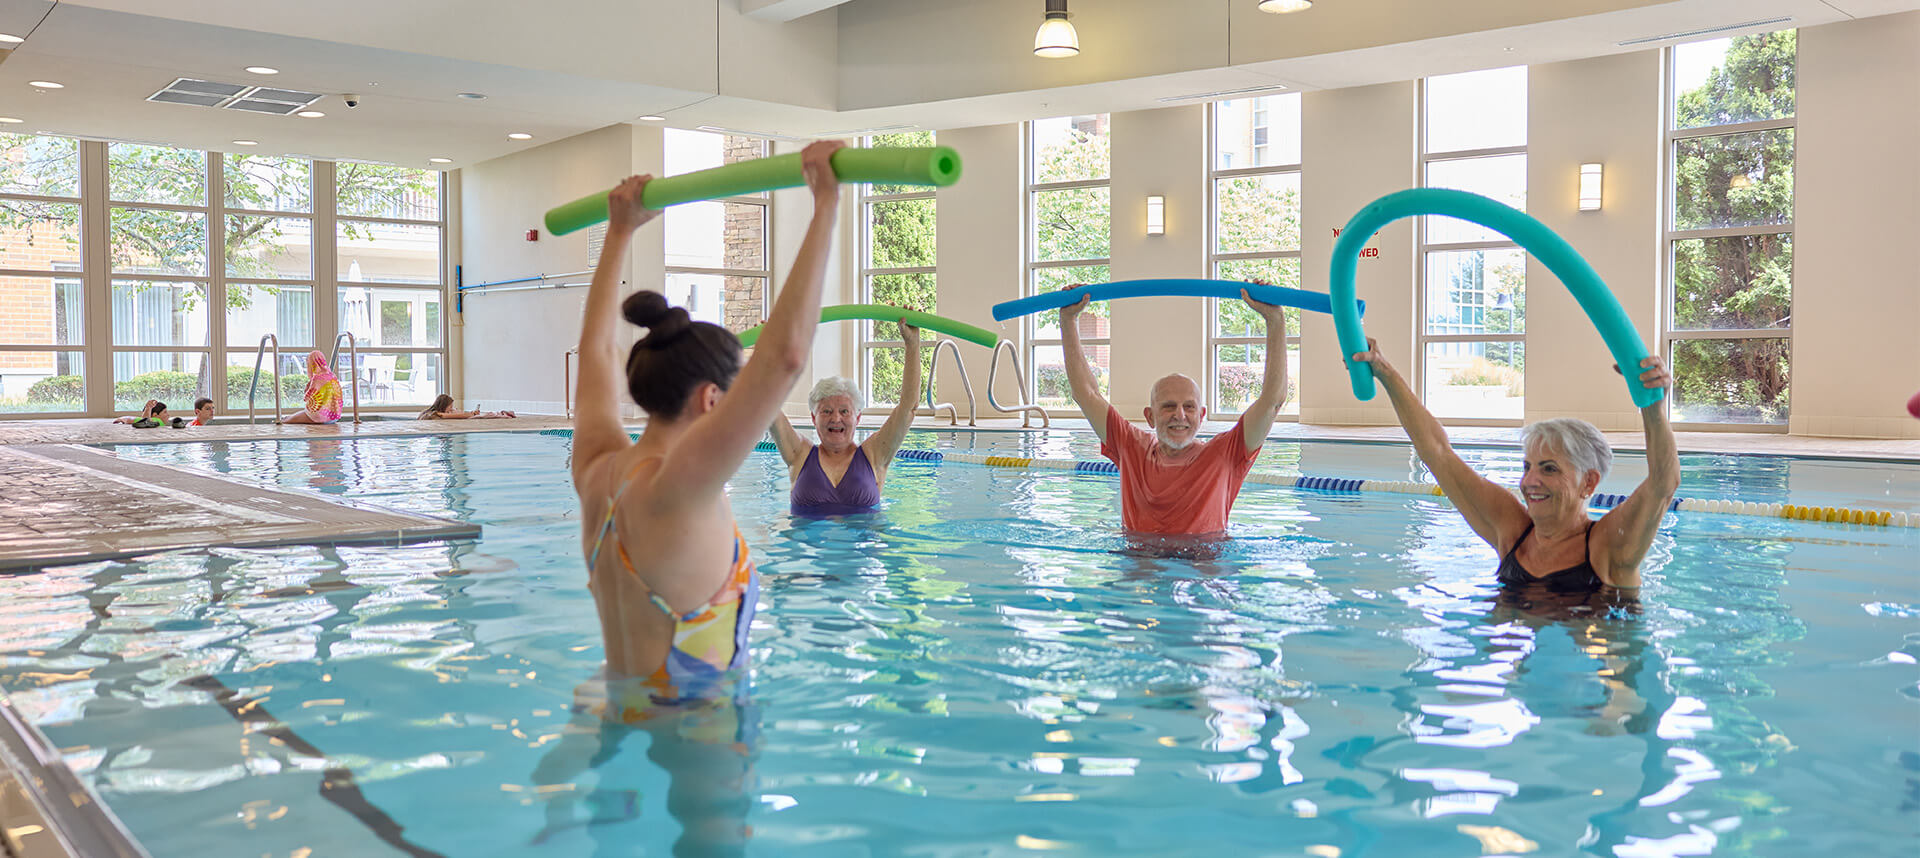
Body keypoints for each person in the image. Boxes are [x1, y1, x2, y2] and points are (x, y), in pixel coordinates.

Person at [568, 140, 843, 722]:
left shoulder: (598, 469)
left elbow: (593, 352)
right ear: (711, 398)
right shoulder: (683, 485)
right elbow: (787, 354)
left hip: (612, 704)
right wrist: (825, 205)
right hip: (695, 726)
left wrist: (619, 233)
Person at [1352, 338, 1679, 592]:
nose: (1530, 481)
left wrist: (1652, 405)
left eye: (1549, 469)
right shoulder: (1511, 531)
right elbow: (1438, 453)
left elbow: (1663, 484)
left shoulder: (1609, 548)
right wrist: (1385, 371)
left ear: (1589, 483)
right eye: (1527, 466)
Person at [1058, 287, 1291, 535]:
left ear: (1201, 416)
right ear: (1150, 416)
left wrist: (1275, 321)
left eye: (1189, 407)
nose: (1179, 415)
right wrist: (1068, 320)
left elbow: (1272, 402)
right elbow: (1086, 393)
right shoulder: (1130, 446)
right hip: (1140, 564)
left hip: (1201, 566)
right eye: (1169, 406)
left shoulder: (1225, 454)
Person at [766, 322, 922, 515]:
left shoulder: (874, 454)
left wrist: (912, 345)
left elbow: (908, 408)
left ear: (858, 417)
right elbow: (768, 406)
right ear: (814, 418)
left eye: (844, 411)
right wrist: (766, 352)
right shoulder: (800, 454)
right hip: (809, 546)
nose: (836, 418)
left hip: (863, 544)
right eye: (826, 411)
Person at [281, 350, 345, 425]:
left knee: (286, 420)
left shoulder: (318, 378)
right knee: (290, 417)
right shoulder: (332, 376)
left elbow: (308, 398)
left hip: (317, 417)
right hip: (333, 418)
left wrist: (307, 391)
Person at [418, 394, 517, 420]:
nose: (451, 408)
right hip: (470, 416)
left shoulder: (429, 412)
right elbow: (458, 417)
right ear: (444, 405)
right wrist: (472, 414)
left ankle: (501, 413)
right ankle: (502, 414)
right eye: (450, 406)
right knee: (481, 417)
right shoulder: (438, 414)